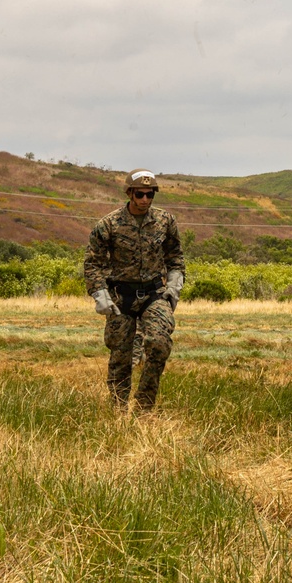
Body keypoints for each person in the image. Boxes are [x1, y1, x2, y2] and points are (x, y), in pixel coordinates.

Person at [84, 169, 185, 413]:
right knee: (121, 356)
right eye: (140, 194)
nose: (145, 199)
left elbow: (175, 257)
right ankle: (118, 409)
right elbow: (92, 264)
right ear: (130, 193)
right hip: (121, 296)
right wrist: (101, 296)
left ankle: (144, 407)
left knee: (159, 344)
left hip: (154, 294)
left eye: (150, 194)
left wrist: (174, 287)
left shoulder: (165, 221)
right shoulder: (108, 225)